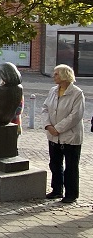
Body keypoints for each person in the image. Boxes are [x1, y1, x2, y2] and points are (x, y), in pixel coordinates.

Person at [41, 64, 85, 204]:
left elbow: (75, 115)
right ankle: (57, 190)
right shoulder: (53, 91)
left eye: (56, 74)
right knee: (55, 164)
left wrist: (58, 128)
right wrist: (48, 125)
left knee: (71, 167)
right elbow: (45, 109)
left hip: (70, 136)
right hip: (53, 135)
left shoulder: (77, 93)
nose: (54, 77)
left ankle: (71, 194)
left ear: (65, 75)